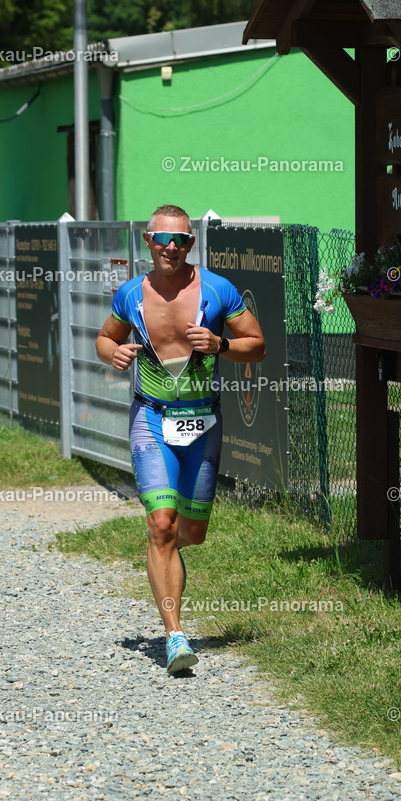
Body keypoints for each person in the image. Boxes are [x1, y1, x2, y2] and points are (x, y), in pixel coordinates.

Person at [96, 205, 266, 673]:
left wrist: (222, 346)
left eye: (182, 241)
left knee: (191, 533)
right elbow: (104, 339)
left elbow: (258, 343)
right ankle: (175, 636)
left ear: (192, 244)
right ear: (147, 241)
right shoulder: (131, 292)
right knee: (162, 524)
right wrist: (115, 353)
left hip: (203, 422)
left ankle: (164, 556)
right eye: (163, 240)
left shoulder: (216, 289)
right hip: (151, 418)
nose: (172, 248)